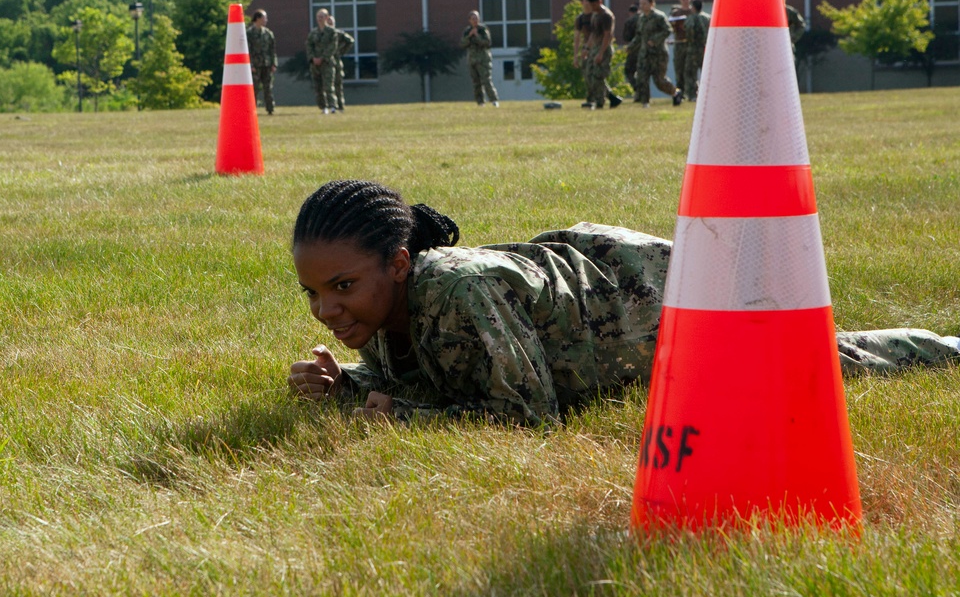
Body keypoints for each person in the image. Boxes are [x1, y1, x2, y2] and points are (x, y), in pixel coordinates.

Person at [288, 179, 960, 426]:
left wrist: (395, 415)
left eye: (341, 286)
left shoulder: (456, 291)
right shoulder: (381, 312)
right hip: (611, 282)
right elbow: (435, 376)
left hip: (655, 290)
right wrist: (345, 383)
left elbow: (527, 414)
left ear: (398, 264)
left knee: (822, 360)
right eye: (313, 293)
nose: (328, 309)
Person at [634, 0, 684, 108]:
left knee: (659, 81)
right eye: (641, 4)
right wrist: (631, 47)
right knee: (642, 77)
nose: (642, 6)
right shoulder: (641, 18)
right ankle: (645, 102)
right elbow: (639, 35)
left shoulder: (659, 16)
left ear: (652, 4)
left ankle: (675, 92)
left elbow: (667, 30)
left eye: (645, 3)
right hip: (644, 53)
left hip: (658, 54)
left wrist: (655, 40)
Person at [584, 0, 622, 109]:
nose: (592, 7)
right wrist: (587, 48)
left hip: (604, 48)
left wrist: (601, 53)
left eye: (594, 5)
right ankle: (612, 98)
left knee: (598, 76)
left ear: (599, 2)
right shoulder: (595, 15)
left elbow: (607, 35)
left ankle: (600, 103)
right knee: (589, 75)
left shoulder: (606, 15)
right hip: (595, 48)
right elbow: (593, 33)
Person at [459, 10, 499, 107]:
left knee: (486, 80)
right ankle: (480, 102)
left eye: (476, 18)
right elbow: (462, 44)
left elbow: (487, 43)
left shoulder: (483, 29)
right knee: (476, 82)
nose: (475, 20)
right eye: (473, 19)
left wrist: (477, 35)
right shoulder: (467, 31)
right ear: (469, 20)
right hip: (472, 60)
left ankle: (494, 100)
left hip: (483, 59)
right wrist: (470, 36)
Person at [306, 8, 338, 114]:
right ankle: (323, 107)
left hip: (327, 62)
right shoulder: (313, 32)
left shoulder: (332, 32)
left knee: (328, 85)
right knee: (318, 87)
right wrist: (313, 58)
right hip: (315, 64)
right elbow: (309, 46)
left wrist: (323, 58)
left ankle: (333, 106)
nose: (320, 19)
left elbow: (332, 47)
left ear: (327, 18)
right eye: (318, 17)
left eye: (322, 17)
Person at [246, 9, 277, 115]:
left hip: (267, 64)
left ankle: (270, 109)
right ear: (258, 18)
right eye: (264, 18)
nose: (266, 20)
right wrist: (250, 64)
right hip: (255, 65)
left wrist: (274, 63)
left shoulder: (268, 33)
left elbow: (272, 50)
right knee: (254, 88)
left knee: (268, 88)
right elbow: (247, 50)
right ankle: (251, 109)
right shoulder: (249, 33)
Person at [668, 0, 694, 101]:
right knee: (679, 69)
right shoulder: (675, 13)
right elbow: (670, 28)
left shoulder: (693, 12)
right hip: (679, 43)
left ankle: (692, 93)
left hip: (690, 44)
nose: (685, 1)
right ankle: (680, 94)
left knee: (690, 70)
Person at [683, 0, 710, 102]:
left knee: (690, 73)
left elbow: (688, 31)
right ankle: (707, 93)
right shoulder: (708, 18)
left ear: (693, 7)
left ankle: (692, 95)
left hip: (693, 48)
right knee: (706, 72)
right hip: (705, 48)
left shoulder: (690, 18)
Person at [328, 15, 355, 112]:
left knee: (338, 84)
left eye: (331, 22)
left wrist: (341, 51)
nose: (330, 23)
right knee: (327, 85)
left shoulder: (338, 34)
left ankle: (340, 105)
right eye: (328, 22)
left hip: (336, 62)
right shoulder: (322, 34)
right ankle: (331, 105)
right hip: (326, 62)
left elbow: (350, 41)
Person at [621, 4, 640, 96]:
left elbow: (626, 37)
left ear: (630, 13)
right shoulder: (644, 19)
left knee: (629, 70)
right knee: (643, 72)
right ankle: (643, 92)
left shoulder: (629, 21)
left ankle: (637, 88)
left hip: (633, 50)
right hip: (646, 48)